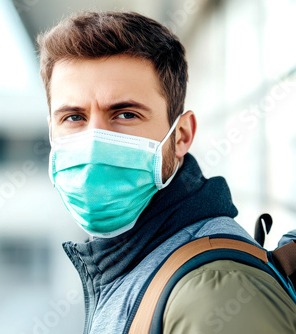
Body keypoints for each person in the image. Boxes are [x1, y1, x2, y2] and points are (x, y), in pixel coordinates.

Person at [37, 11, 296, 333]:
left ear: (181, 135)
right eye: (73, 118)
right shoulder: (129, 265)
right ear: (52, 130)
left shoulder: (212, 292)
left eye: (125, 114)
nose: (94, 142)